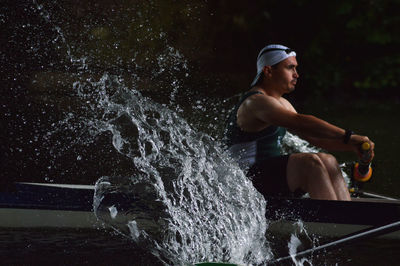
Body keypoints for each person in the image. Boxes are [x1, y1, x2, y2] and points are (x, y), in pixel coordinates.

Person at [224, 44, 374, 201]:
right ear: (268, 71)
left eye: (295, 68)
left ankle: (346, 214)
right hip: (245, 183)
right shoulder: (255, 102)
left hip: (266, 177)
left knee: (329, 160)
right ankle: (333, 219)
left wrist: (355, 147)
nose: (296, 75)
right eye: (290, 68)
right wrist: (349, 136)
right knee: (309, 163)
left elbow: (316, 138)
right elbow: (302, 123)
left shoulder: (281, 103)